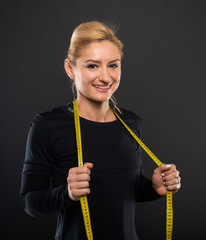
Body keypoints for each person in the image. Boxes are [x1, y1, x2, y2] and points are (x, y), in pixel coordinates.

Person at [20, 21, 181, 240]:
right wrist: (66, 193)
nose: (105, 77)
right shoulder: (47, 125)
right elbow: (30, 202)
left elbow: (124, 192)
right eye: (92, 66)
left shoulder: (131, 123)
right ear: (70, 68)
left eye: (113, 65)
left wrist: (154, 187)